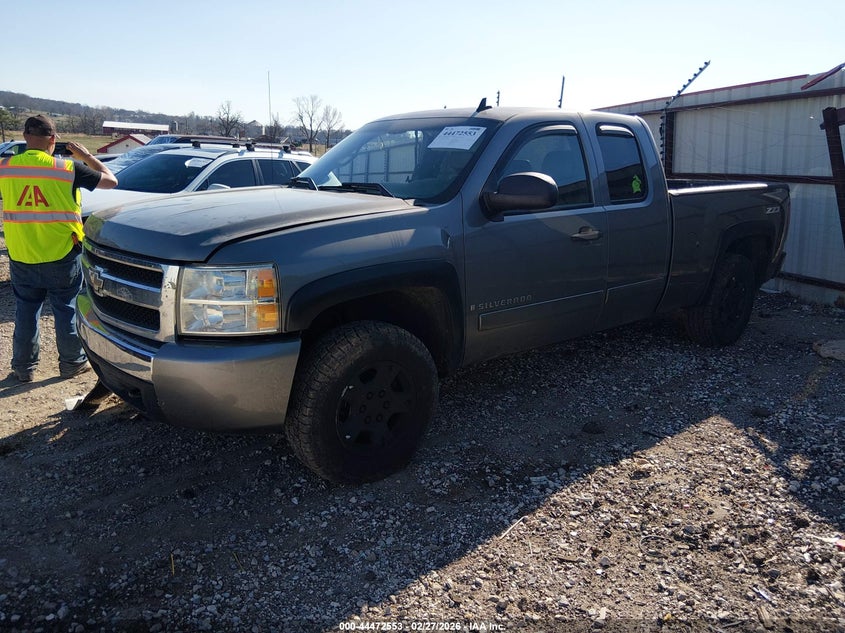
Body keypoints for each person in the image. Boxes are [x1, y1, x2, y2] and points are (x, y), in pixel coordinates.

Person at [0, 114, 118, 382]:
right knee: (66, 308)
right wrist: (86, 156)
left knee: (26, 311)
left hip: (21, 254)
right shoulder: (67, 168)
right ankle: (71, 363)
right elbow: (111, 181)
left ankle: (24, 368)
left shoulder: (5, 167)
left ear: (26, 137)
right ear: (53, 140)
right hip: (62, 253)